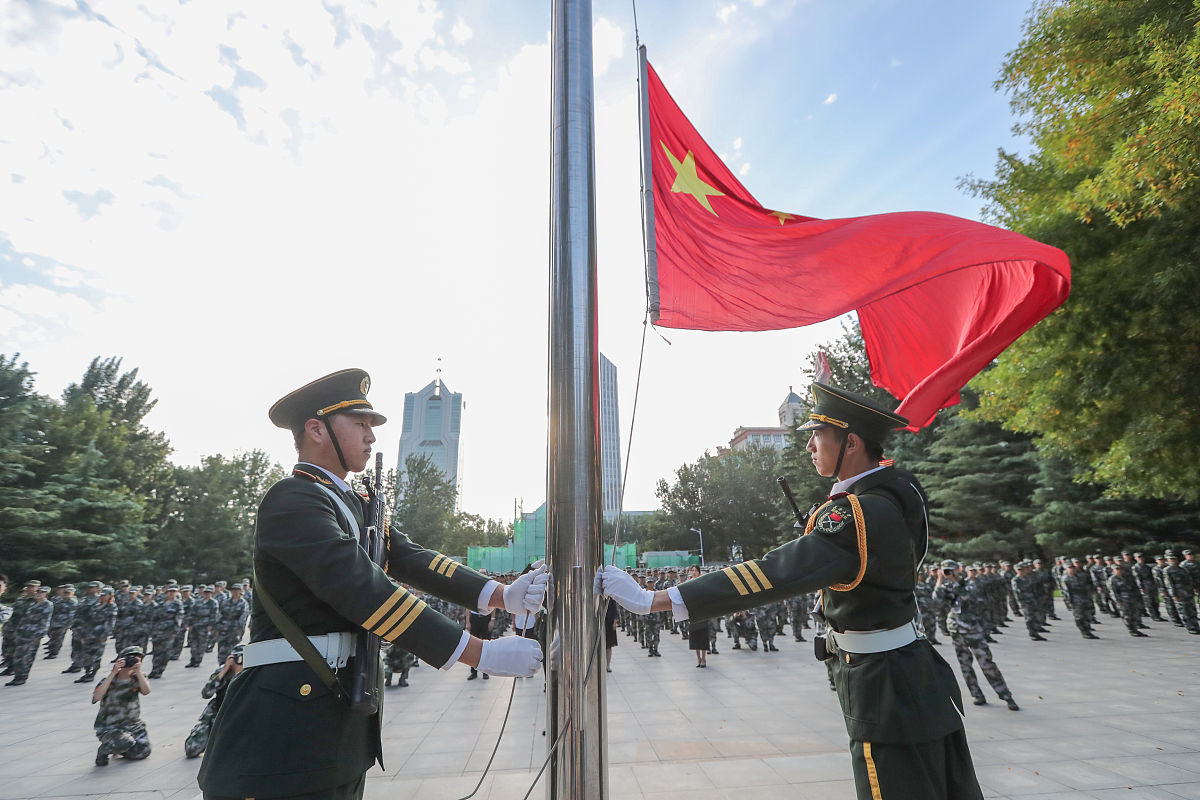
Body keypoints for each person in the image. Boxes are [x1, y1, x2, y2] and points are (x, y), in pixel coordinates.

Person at [600, 382, 985, 799]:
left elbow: (774, 573)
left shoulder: (856, 511)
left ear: (850, 442)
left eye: (818, 435)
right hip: (911, 674)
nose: (809, 447)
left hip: (885, 689)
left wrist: (657, 598)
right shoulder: (898, 492)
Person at [197, 368, 546, 800]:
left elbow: (410, 558)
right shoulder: (293, 499)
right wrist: (479, 652)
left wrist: (498, 595)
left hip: (336, 718)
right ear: (316, 429)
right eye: (360, 424)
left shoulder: (351, 502)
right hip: (284, 727)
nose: (371, 436)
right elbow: (361, 587)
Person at [934, 562, 1020, 711]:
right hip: (957, 631)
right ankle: (976, 694)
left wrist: (957, 579)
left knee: (987, 664)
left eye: (950, 570)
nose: (948, 573)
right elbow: (936, 600)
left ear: (958, 569)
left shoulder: (971, 583)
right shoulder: (946, 587)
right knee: (965, 666)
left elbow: (968, 596)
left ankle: (1006, 695)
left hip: (973, 630)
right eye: (946, 571)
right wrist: (940, 579)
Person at [93, 645, 152, 766]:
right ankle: (104, 750)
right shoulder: (108, 680)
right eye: (130, 658)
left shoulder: (138, 678)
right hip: (110, 727)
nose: (133, 661)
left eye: (137, 659)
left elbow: (146, 691)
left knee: (144, 751)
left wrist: (138, 672)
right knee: (125, 742)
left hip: (134, 726)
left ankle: (120, 746)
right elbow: (96, 697)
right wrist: (113, 672)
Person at [185, 645, 244, 758]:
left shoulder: (252, 672)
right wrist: (225, 670)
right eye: (238, 658)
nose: (240, 661)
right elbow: (206, 693)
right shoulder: (222, 671)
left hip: (242, 713)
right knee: (192, 748)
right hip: (218, 711)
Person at [684, 565, 709, 667]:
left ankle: (704, 659)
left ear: (699, 572)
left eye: (696, 570)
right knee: (695, 637)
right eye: (692, 570)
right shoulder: (687, 583)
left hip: (702, 612)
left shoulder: (703, 582)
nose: (694, 572)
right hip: (692, 612)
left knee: (703, 637)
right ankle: (698, 659)